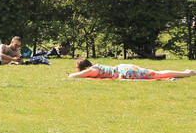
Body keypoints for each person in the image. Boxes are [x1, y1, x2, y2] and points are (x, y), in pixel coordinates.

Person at [67, 58, 195, 80]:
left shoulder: (94, 70)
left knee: (157, 75)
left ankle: (187, 73)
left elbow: (87, 73)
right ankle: (186, 73)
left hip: (126, 72)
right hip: (125, 68)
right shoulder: (97, 67)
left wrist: (71, 75)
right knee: (157, 74)